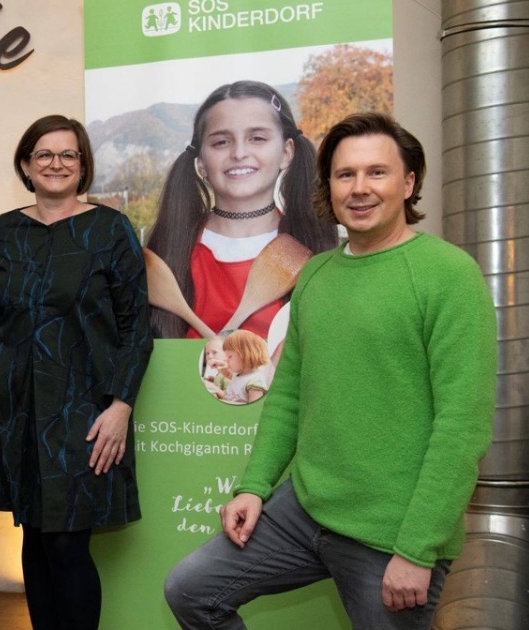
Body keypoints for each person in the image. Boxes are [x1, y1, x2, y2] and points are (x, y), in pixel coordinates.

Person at [164, 113, 498, 629]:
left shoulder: (450, 276)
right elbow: (289, 397)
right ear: (328, 187)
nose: (359, 188)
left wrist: (417, 548)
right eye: (345, 175)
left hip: (392, 533)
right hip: (305, 510)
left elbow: (462, 428)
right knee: (191, 590)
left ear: (409, 183)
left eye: (377, 172)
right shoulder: (317, 273)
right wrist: (253, 486)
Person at [0, 115, 154, 630]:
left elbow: (136, 328)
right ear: (26, 165)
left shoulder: (110, 229)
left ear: (82, 166)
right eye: (44, 154)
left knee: (66, 543)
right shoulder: (4, 231)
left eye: (68, 154)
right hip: (19, 406)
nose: (56, 164)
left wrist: (121, 407)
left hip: (87, 410)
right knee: (34, 536)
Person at [147, 80, 339, 339]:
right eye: (221, 142)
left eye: (257, 138)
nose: (239, 153)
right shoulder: (168, 251)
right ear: (201, 162)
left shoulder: (313, 249)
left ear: (286, 153)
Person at [220, 329, 270, 404]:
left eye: (230, 356)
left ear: (245, 355)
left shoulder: (255, 383)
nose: (226, 360)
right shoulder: (239, 375)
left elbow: (253, 408)